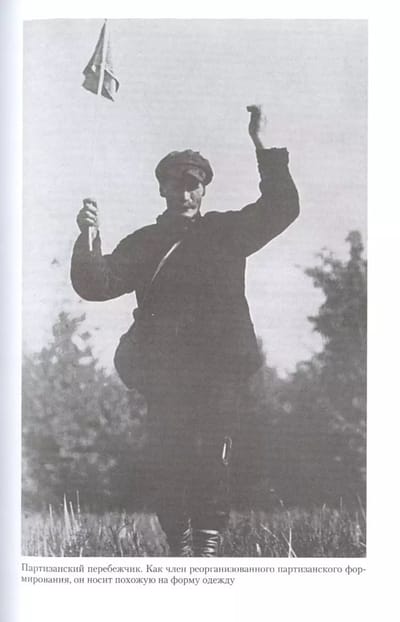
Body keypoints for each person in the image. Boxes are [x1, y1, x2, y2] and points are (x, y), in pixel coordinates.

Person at [70, 105, 300, 556]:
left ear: (204, 188)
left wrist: (261, 143)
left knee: (212, 458)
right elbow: (96, 284)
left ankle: (207, 551)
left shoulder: (227, 232)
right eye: (175, 184)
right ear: (162, 189)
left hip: (218, 372)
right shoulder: (144, 243)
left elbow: (283, 207)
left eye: (192, 184)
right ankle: (179, 549)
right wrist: (87, 237)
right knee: (168, 462)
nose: (184, 192)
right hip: (166, 375)